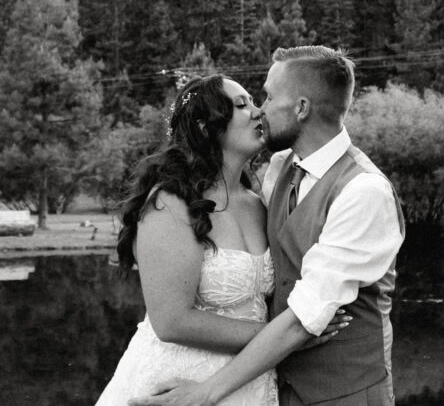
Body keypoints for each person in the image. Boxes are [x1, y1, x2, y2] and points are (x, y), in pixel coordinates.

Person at [133, 46, 406, 406]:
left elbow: (303, 319)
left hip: (345, 392)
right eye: (247, 102)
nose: (260, 108)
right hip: (270, 385)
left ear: (302, 108)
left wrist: (204, 395)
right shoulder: (279, 169)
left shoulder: (363, 192)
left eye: (268, 96)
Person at [96, 74, 279, 405]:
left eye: (254, 101)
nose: (257, 112)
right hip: (179, 384)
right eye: (241, 105)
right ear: (205, 126)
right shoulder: (170, 202)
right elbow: (171, 321)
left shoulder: (259, 202)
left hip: (249, 381)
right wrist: (285, 338)